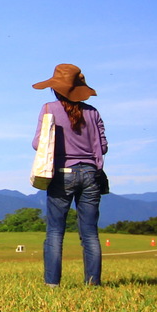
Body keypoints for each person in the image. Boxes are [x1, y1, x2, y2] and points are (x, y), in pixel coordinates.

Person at [31, 63, 108, 287]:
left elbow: (38, 144)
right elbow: (103, 147)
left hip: (61, 174)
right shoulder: (93, 112)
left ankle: (52, 284)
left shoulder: (49, 108)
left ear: (55, 88)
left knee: (55, 232)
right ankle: (93, 284)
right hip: (91, 174)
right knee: (90, 234)